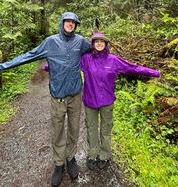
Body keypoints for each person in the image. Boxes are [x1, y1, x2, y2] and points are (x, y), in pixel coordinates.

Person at [0, 12, 90, 187]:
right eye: (68, 21)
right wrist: (2, 66)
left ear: (76, 25)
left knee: (74, 127)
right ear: (62, 23)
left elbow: (94, 52)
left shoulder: (81, 41)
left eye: (73, 22)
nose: (70, 24)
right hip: (58, 95)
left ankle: (71, 158)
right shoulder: (50, 42)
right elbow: (29, 55)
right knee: (57, 129)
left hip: (75, 93)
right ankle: (59, 164)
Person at [45, 32, 160, 171]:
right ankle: (92, 155)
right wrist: (49, 67)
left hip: (107, 102)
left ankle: (104, 155)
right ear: (92, 44)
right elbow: (68, 65)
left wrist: (153, 72)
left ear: (106, 44)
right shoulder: (86, 59)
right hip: (90, 101)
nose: (99, 43)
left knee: (106, 130)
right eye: (96, 41)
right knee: (91, 129)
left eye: (102, 41)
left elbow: (132, 68)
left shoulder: (113, 60)